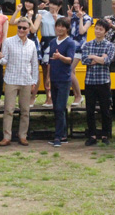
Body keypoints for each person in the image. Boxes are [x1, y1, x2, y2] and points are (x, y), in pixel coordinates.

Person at [0, 17, 39, 146]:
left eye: (24, 28)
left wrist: (34, 81)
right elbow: (4, 61)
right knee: (8, 109)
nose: (21, 30)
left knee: (25, 110)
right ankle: (6, 137)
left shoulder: (32, 44)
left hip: (26, 80)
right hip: (11, 79)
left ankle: (23, 136)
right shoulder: (8, 42)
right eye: (19, 27)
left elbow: (34, 64)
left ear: (29, 29)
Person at [81, 19, 115, 146]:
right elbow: (84, 60)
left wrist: (93, 57)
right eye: (96, 28)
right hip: (90, 81)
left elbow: (107, 61)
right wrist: (100, 58)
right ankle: (92, 135)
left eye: (101, 29)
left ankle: (105, 134)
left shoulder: (110, 46)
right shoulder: (87, 44)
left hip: (103, 81)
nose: (98, 31)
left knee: (105, 109)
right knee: (90, 110)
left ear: (106, 32)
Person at [47, 17, 76, 147]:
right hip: (54, 78)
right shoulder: (53, 42)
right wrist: (47, 77)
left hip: (64, 79)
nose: (59, 28)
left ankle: (58, 137)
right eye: (58, 26)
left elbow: (70, 60)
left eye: (63, 26)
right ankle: (63, 134)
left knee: (60, 107)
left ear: (67, 28)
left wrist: (60, 57)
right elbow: (50, 61)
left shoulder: (70, 42)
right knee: (57, 108)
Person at [10, 0, 43, 105]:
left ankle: (33, 97)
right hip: (22, 44)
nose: (27, 4)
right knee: (24, 69)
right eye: (26, 2)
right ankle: (24, 97)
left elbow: (33, 30)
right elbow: (12, 22)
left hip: (33, 44)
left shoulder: (38, 15)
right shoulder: (23, 15)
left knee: (35, 71)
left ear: (34, 4)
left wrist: (30, 17)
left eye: (30, 2)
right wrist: (17, 10)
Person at [38, 0, 64, 107]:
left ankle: (53, 97)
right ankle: (47, 96)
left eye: (55, 4)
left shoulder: (62, 18)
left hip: (55, 42)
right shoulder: (43, 13)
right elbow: (32, 13)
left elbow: (61, 33)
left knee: (53, 71)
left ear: (59, 7)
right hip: (45, 41)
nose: (52, 6)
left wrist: (56, 19)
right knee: (45, 70)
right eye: (51, 4)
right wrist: (39, 7)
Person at [68, 0, 92, 106]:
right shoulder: (72, 15)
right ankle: (77, 95)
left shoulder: (88, 18)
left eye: (78, 3)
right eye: (74, 3)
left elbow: (82, 31)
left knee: (69, 70)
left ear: (82, 4)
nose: (75, 5)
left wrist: (81, 18)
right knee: (72, 72)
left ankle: (78, 96)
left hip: (79, 47)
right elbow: (67, 30)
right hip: (70, 46)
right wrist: (69, 17)